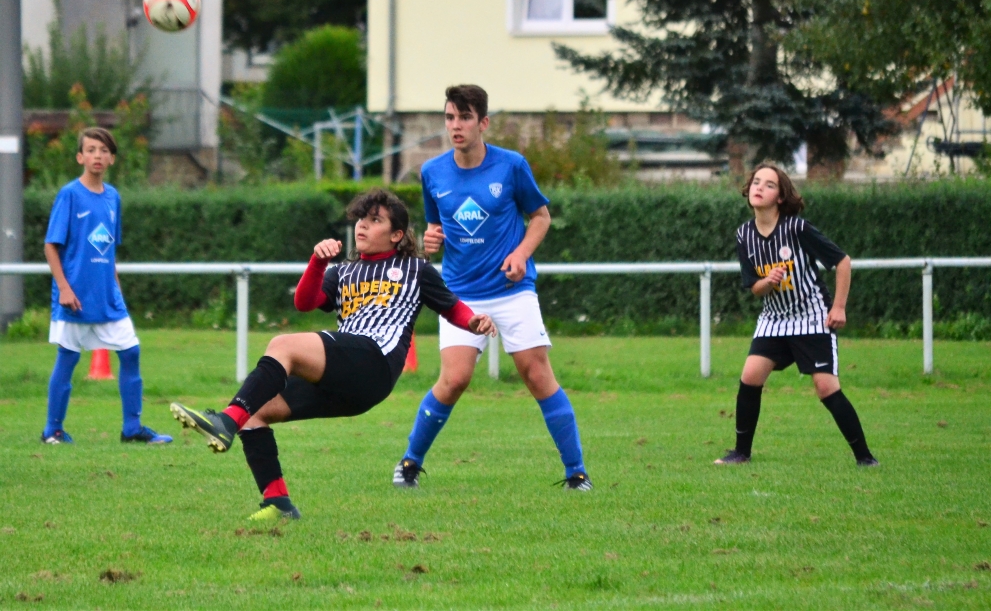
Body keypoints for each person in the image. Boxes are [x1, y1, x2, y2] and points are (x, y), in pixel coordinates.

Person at [170, 189, 497, 521]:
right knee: (254, 411)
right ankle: (278, 502)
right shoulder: (342, 271)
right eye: (361, 219)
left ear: (396, 235)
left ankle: (225, 422)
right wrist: (318, 262)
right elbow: (304, 303)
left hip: (376, 362)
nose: (362, 225)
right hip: (349, 379)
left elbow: (452, 308)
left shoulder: (416, 269)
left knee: (282, 345)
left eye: (375, 220)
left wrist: (473, 321)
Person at [392, 84, 592, 491]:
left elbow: (540, 217)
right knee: (454, 380)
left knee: (537, 375)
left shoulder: (511, 165)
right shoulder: (432, 172)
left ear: (483, 123)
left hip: (512, 290)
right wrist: (431, 239)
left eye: (465, 118)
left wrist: (520, 254)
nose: (456, 126)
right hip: (460, 294)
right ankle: (409, 463)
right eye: (450, 117)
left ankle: (577, 473)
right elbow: (435, 227)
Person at [715, 162, 878, 467]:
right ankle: (741, 453)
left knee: (825, 387)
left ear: (780, 197)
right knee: (750, 377)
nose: (759, 187)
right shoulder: (744, 235)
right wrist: (767, 281)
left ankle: (865, 458)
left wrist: (838, 307)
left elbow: (842, 261)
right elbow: (754, 289)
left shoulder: (796, 228)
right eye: (756, 182)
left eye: (769, 184)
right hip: (774, 319)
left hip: (811, 316)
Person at [41, 127, 172, 445]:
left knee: (131, 352)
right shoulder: (70, 195)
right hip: (75, 297)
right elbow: (50, 246)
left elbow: (108, 249)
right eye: (91, 150)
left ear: (112, 158)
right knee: (68, 358)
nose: (97, 155)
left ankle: (132, 429)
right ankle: (52, 430)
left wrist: (116, 289)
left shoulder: (113, 197)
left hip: (107, 298)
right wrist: (64, 288)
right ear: (80, 157)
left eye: (103, 150)